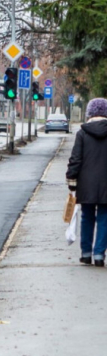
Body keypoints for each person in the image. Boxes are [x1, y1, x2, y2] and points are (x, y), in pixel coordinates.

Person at [66, 98, 107, 266]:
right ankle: (99, 255)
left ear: (89, 113)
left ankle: (86, 253)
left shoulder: (82, 133)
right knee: (105, 218)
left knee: (86, 216)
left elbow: (76, 159)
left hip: (86, 183)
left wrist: (71, 179)